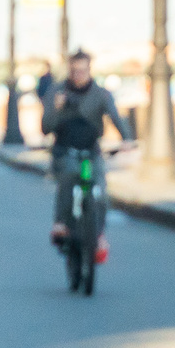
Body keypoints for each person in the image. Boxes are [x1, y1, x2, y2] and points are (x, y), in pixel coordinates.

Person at [42, 48, 126, 264]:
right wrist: (56, 109)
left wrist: (128, 139)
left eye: (83, 70)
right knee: (69, 175)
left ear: (89, 70)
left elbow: (115, 117)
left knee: (99, 190)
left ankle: (98, 234)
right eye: (74, 70)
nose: (78, 75)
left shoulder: (100, 94)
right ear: (69, 70)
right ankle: (61, 222)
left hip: (91, 151)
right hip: (64, 150)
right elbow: (45, 127)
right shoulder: (57, 91)